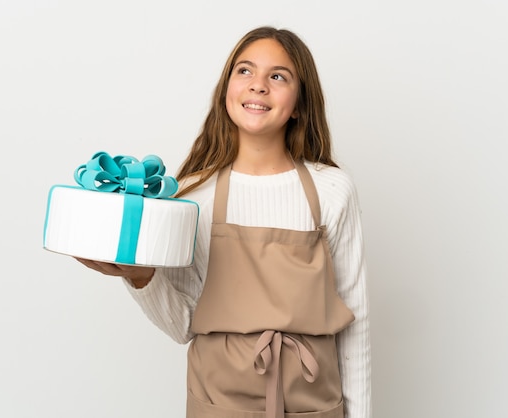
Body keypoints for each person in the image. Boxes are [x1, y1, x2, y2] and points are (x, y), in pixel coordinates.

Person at [76, 26, 371, 418]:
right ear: (226, 90)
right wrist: (141, 277)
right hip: (217, 403)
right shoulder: (193, 195)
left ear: (300, 103)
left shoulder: (334, 190)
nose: (258, 86)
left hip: (313, 404)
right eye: (245, 71)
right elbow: (183, 325)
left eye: (278, 76)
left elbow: (356, 319)